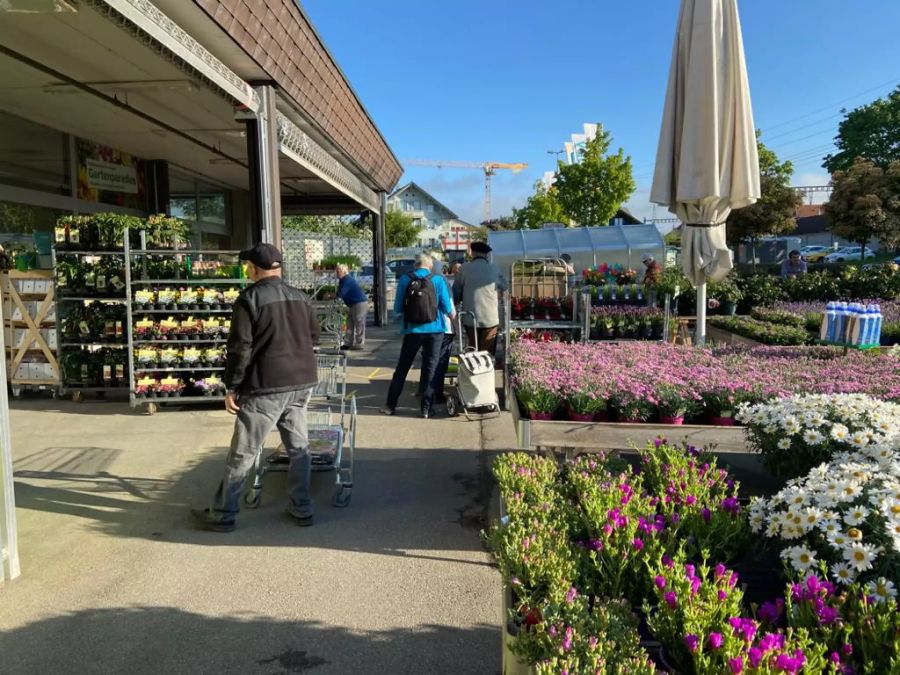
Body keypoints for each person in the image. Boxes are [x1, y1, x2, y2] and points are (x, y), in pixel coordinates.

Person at [191, 243, 320, 532]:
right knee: (299, 448)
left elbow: (240, 347)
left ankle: (223, 514)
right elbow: (315, 336)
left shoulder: (249, 299)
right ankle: (302, 508)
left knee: (244, 451)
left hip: (266, 385)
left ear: (255, 268)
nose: (246, 270)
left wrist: (232, 386)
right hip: (301, 382)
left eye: (248, 266)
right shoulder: (301, 296)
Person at [382, 252, 455, 419]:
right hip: (436, 330)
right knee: (431, 368)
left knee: (402, 368)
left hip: (412, 330)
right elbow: (447, 307)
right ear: (430, 266)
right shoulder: (437, 279)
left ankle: (390, 405)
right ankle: (426, 409)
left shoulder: (406, 279)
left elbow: (398, 307)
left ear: (416, 265)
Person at [453, 241, 507, 357]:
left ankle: (473, 370)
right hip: (490, 317)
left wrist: (455, 304)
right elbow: (505, 286)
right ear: (486, 255)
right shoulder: (494, 268)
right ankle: (486, 370)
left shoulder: (465, 268)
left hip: (469, 316)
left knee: (473, 347)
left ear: (473, 253)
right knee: (486, 350)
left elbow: (456, 290)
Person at [335, 263, 368, 350]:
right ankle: (348, 343)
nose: (337, 273)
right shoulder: (343, 280)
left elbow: (341, 293)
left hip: (359, 303)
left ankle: (359, 344)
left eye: (339, 271)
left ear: (344, 272)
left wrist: (331, 296)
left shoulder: (347, 280)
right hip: (353, 304)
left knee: (359, 323)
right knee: (350, 323)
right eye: (337, 271)